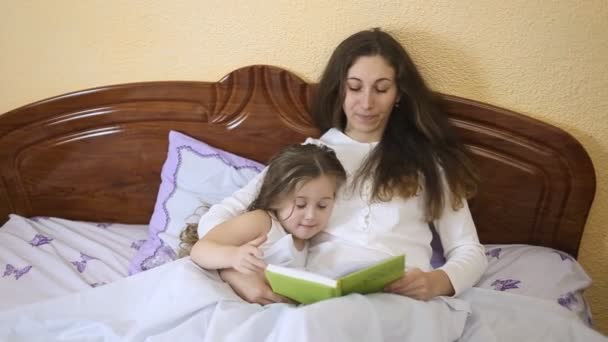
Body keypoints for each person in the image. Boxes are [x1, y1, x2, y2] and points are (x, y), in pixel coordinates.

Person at [193, 27, 488, 305]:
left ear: (399, 94)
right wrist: (236, 272)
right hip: (322, 297)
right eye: (355, 87)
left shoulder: (429, 164)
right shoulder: (311, 157)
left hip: (401, 299)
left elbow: (469, 251)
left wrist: (436, 281)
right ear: (340, 90)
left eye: (381, 89)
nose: (367, 103)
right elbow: (214, 224)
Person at [187, 144, 347, 292]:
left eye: (322, 206)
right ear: (276, 198)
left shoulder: (306, 244)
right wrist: (233, 256)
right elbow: (200, 249)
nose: (311, 216)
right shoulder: (261, 222)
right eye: (300, 205)